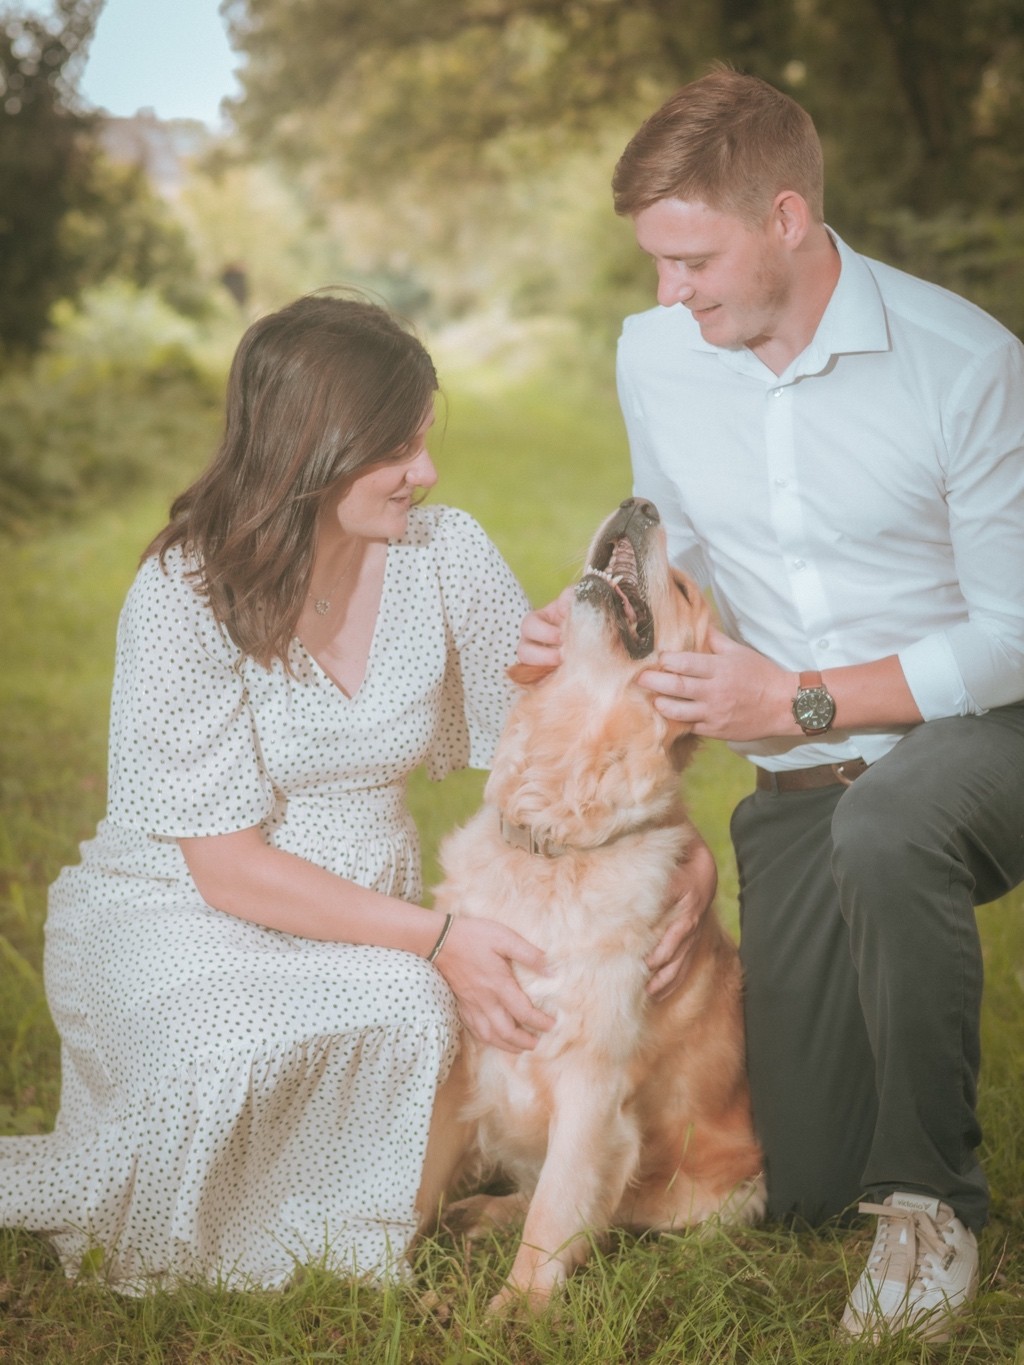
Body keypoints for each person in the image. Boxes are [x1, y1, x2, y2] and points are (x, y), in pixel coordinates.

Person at [520, 69, 1024, 1343]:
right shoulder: (656, 354)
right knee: (801, 1187)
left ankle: (932, 1206)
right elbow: (676, 563)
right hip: (803, 775)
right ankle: (856, 1173)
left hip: (981, 735)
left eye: (692, 260)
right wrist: (592, 631)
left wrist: (794, 698)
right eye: (654, 262)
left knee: (890, 822)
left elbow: (1012, 637)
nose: (668, 293)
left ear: (787, 219)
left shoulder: (966, 365)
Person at [0, 293, 563, 1293]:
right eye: (397, 447)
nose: (426, 473)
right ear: (314, 448)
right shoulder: (185, 591)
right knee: (218, 1045)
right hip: (175, 902)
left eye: (424, 440)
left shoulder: (445, 553)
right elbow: (225, 869)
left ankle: (313, 1231)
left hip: (365, 911)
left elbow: (545, 744)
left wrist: (568, 666)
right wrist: (439, 937)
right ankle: (126, 1201)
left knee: (409, 1011)